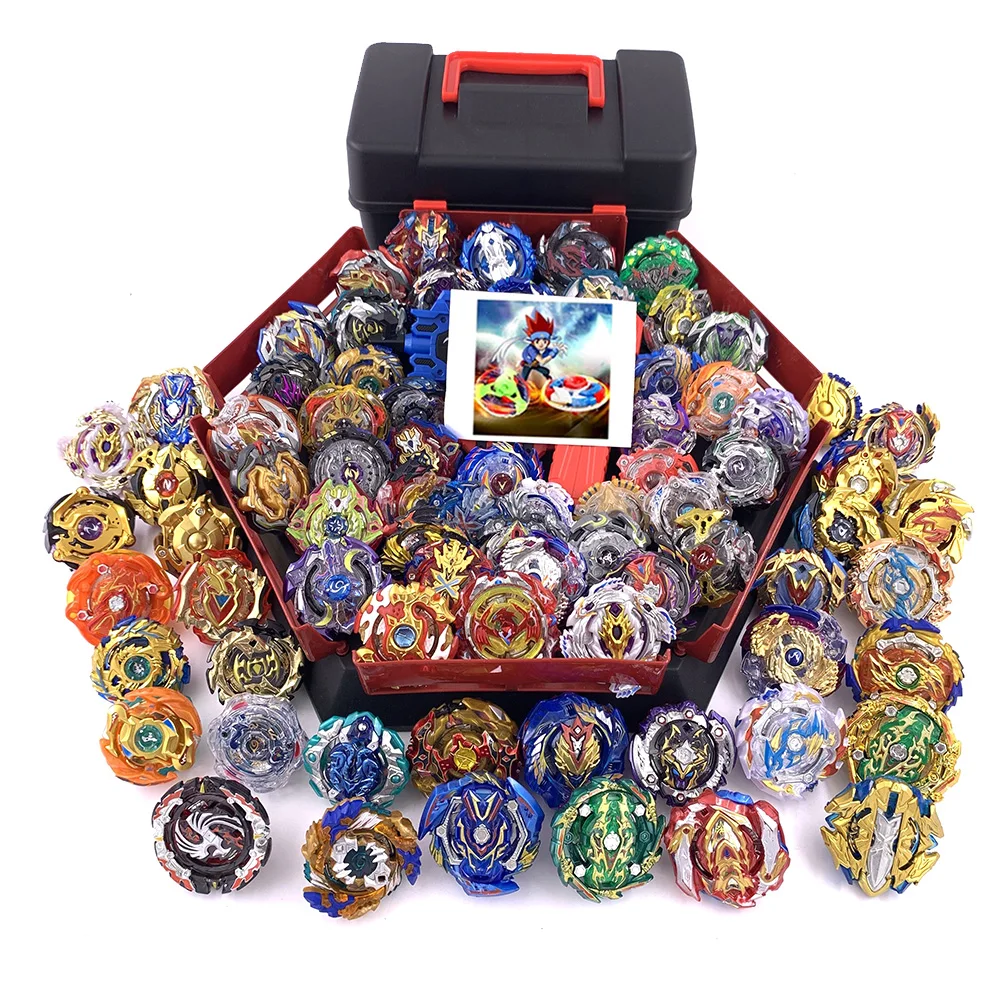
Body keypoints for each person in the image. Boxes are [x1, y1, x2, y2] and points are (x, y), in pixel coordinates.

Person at [519, 310, 559, 383]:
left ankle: (548, 381)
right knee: (523, 379)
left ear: (548, 342)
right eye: (537, 341)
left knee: (546, 372)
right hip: (528, 365)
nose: (541, 344)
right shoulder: (531, 349)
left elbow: (548, 353)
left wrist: (555, 350)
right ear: (533, 342)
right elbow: (542, 361)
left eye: (545, 341)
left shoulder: (546, 350)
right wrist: (553, 354)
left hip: (535, 365)